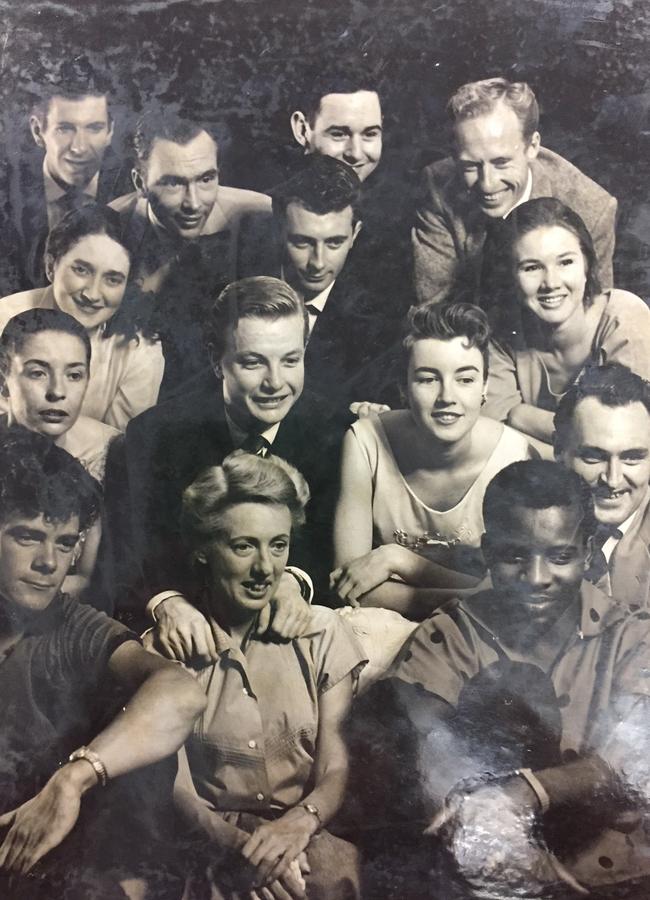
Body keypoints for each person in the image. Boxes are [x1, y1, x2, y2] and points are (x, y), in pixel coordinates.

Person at [356, 460, 650, 897]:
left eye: (559, 556)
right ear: (489, 552)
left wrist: (527, 791)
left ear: (588, 552)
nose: (536, 578)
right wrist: (491, 823)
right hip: (486, 866)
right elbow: (420, 747)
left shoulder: (633, 637)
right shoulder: (450, 635)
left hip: (621, 872)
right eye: (515, 556)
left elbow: (633, 755)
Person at [148, 451, 365, 898]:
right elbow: (177, 789)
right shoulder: (166, 649)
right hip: (204, 841)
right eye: (243, 546)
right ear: (205, 550)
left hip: (306, 829)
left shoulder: (322, 632)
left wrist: (295, 828)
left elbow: (335, 765)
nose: (266, 567)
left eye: (278, 545)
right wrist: (243, 853)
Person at [0, 428, 206, 898]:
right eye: (28, 537)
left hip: (39, 863)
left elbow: (182, 692)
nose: (49, 562)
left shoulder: (74, 625)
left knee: (143, 748)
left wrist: (73, 779)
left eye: (65, 541)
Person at [106, 276, 349, 631]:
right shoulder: (156, 435)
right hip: (191, 623)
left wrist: (293, 579)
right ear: (216, 360)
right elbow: (134, 553)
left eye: (291, 360)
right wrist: (166, 601)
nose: (276, 382)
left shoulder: (337, 431)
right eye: (253, 362)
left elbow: (329, 544)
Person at [332, 302, 532, 617]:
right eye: (428, 379)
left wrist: (401, 561)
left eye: (465, 379)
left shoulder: (515, 457)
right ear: (403, 387)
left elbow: (513, 596)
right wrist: (469, 595)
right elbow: (349, 586)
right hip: (384, 627)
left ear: (485, 387)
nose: (446, 397)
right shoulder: (365, 440)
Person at [412, 77, 617, 305]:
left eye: (501, 162)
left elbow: (594, 315)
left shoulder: (592, 207)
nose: (487, 184)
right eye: (470, 165)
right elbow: (434, 309)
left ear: (533, 147)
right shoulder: (437, 185)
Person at [110, 109, 272, 391]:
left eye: (206, 179)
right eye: (174, 183)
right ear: (140, 184)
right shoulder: (109, 231)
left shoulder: (261, 217)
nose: (194, 203)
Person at [483, 197, 650, 455]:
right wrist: (578, 452)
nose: (551, 282)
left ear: (587, 265)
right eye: (532, 267)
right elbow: (494, 437)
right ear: (511, 278)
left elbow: (619, 438)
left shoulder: (623, 317)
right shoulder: (502, 334)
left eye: (565, 262)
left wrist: (519, 415)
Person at [240, 154, 406, 406]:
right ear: (279, 227)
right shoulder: (232, 282)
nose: (317, 262)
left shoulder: (381, 316)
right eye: (302, 241)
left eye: (334, 242)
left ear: (355, 234)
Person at [0, 204, 164, 431]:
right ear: (51, 266)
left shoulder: (139, 350)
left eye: (113, 279)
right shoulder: (3, 318)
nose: (92, 294)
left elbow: (121, 448)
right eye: (81, 270)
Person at [0, 308, 119, 601]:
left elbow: (93, 582)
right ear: (4, 377)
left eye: (74, 375)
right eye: (38, 372)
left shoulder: (112, 452)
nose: (57, 391)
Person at [2, 57, 129, 293]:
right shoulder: (6, 195)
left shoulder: (132, 192)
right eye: (65, 129)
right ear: (38, 131)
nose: (79, 147)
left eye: (94, 128)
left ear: (110, 131)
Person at [554, 363, 650, 610]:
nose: (613, 479)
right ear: (558, 451)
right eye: (594, 457)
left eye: (632, 457)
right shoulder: (536, 519)